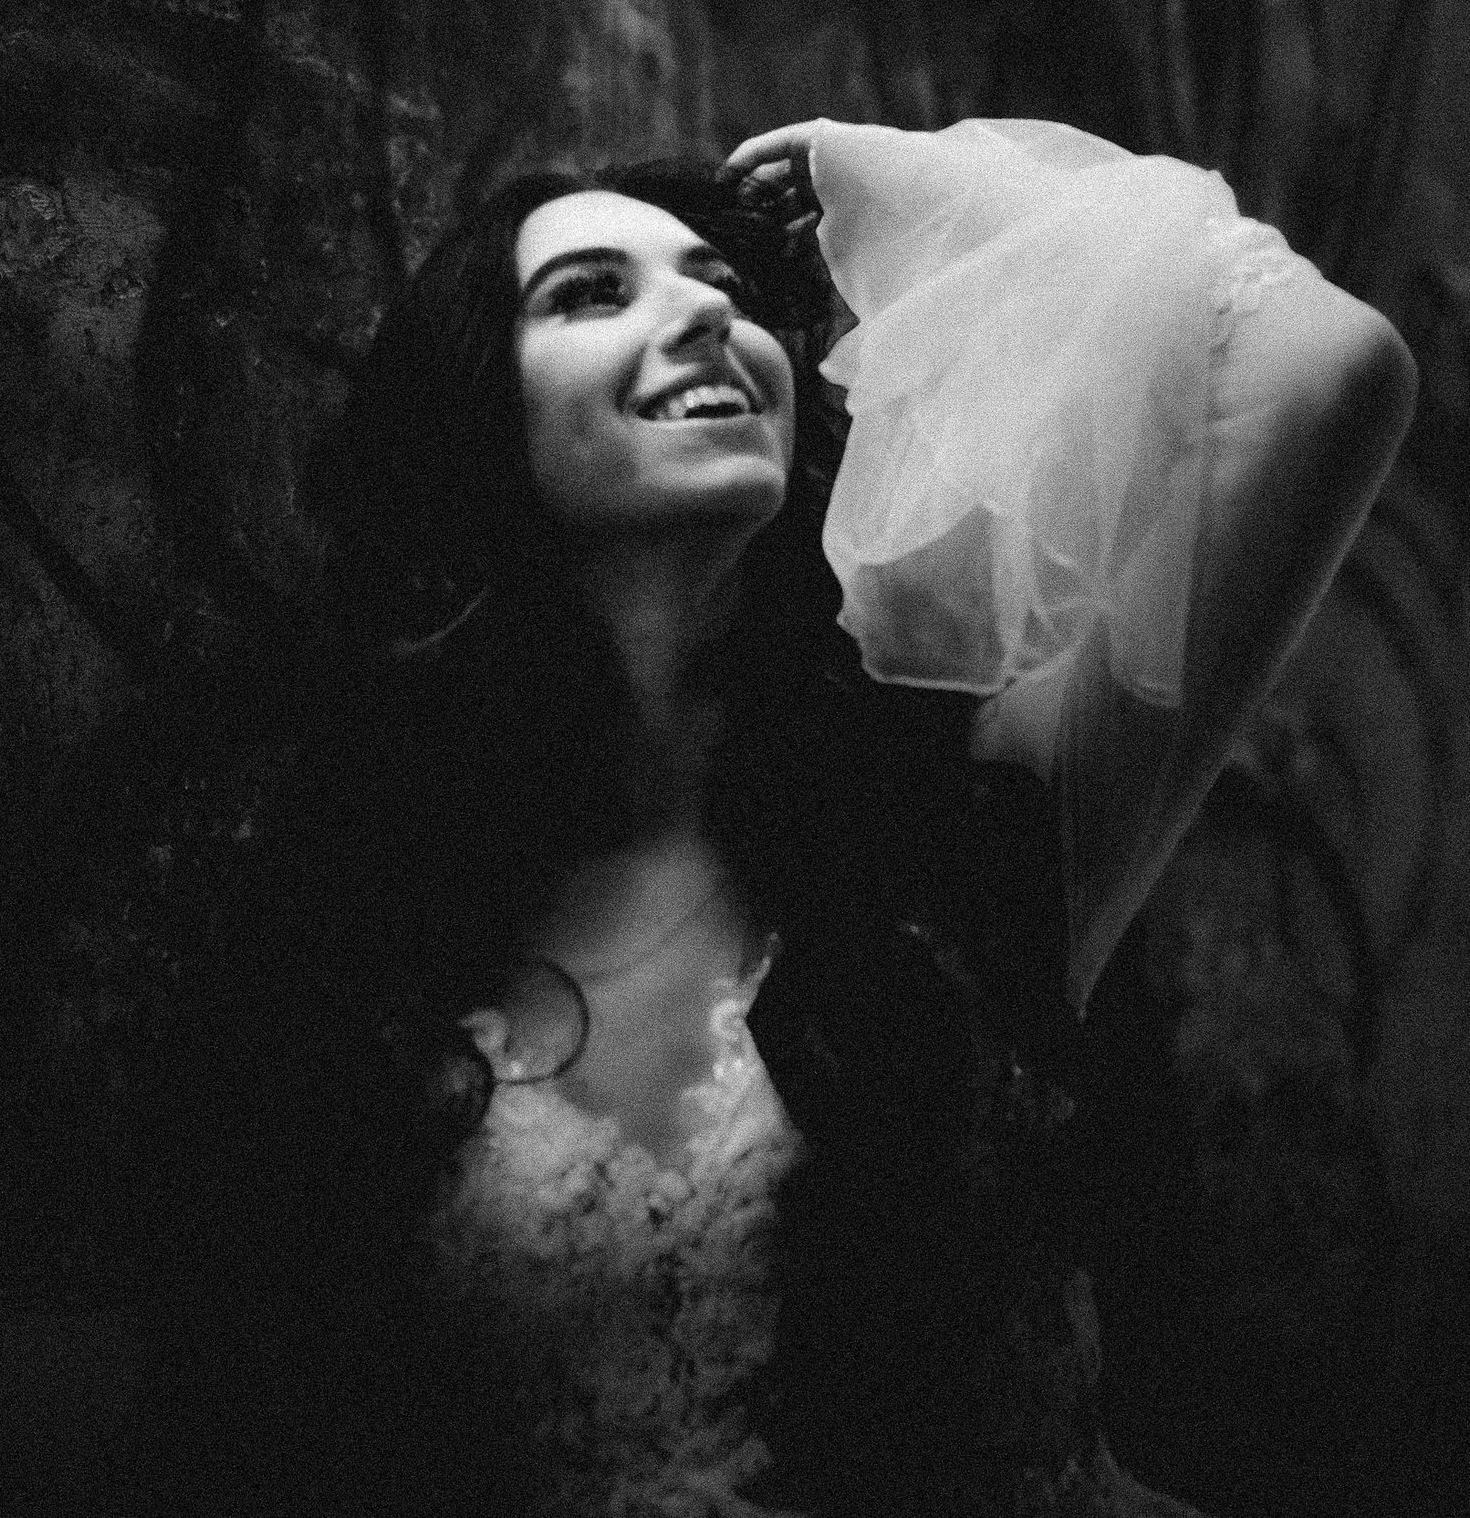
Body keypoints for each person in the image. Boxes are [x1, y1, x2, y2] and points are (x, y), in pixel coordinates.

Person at [128, 118, 1415, 1517]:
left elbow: (1328, 372)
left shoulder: (976, 809)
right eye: (591, 294)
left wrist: (925, 184)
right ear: (472, 418)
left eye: (727, 291)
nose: (701, 313)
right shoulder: (354, 918)